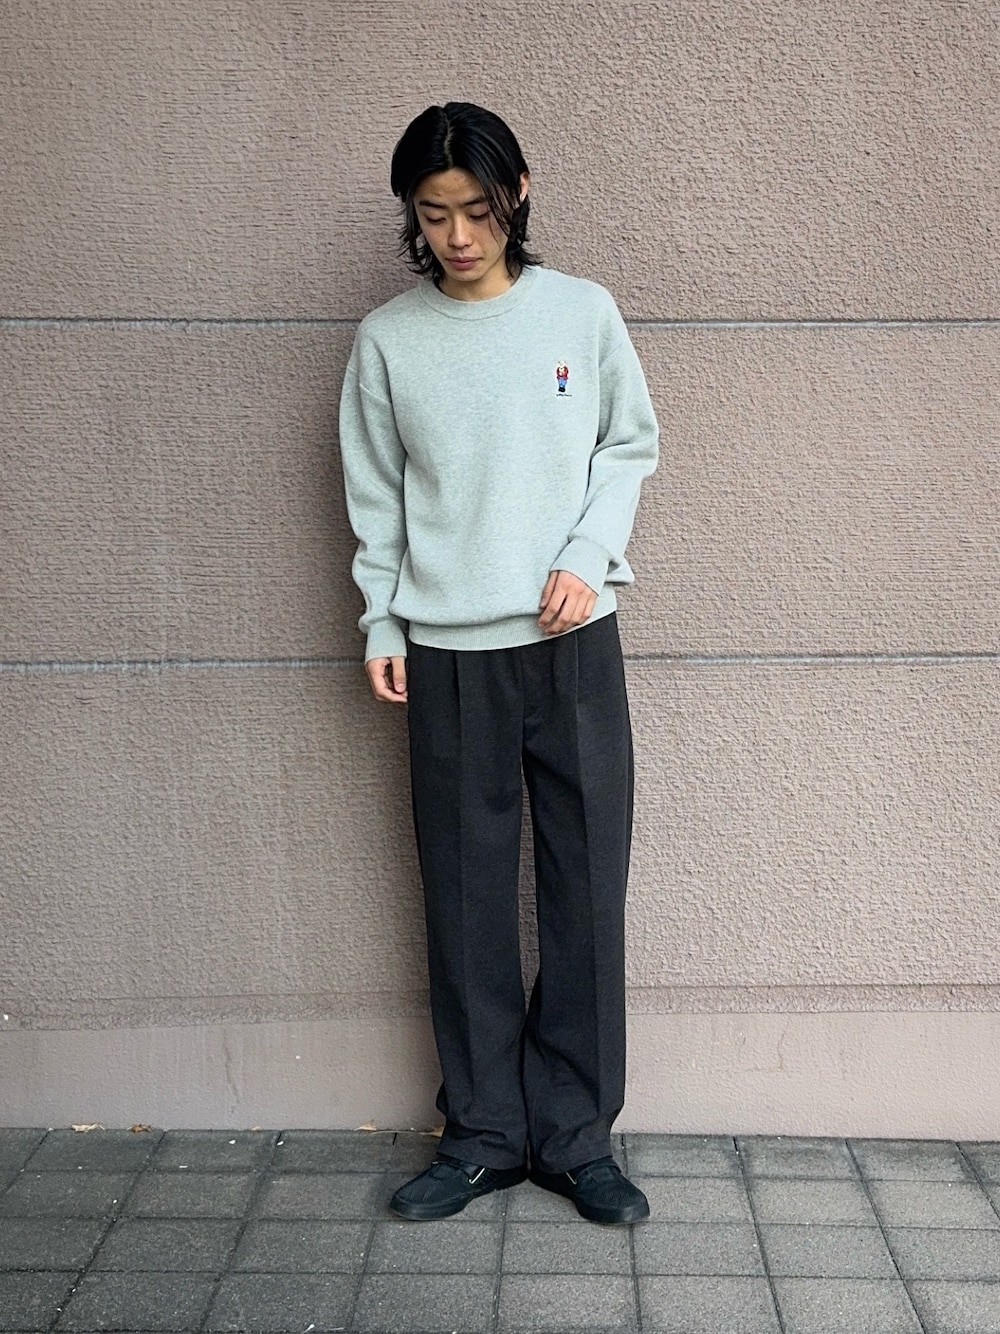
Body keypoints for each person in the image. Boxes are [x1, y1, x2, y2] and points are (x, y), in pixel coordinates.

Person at [339, 102, 659, 1226]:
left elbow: (628, 444)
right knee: (466, 899)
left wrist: (588, 555)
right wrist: (383, 622)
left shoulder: (580, 312)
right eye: (433, 214)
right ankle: (480, 1135)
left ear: (517, 192)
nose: (458, 235)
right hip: (449, 653)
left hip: (573, 647)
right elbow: (376, 496)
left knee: (585, 891)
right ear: (411, 215)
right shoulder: (389, 340)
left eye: (476, 208)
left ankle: (577, 1140)